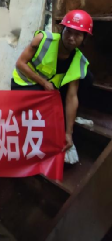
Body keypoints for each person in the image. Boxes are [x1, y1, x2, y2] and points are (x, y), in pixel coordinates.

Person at [12, 10, 92, 163]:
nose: (71, 38)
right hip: (25, 83)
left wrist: (68, 132)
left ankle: (61, 136)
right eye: (69, 31)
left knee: (88, 78)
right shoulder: (43, 40)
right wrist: (43, 83)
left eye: (78, 35)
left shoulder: (79, 61)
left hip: (49, 89)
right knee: (40, 113)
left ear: (84, 39)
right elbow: (20, 63)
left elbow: (72, 96)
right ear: (62, 29)